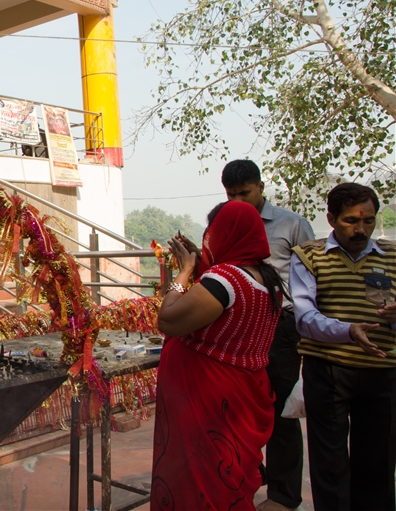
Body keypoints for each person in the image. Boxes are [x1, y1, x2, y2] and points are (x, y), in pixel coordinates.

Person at [152, 200, 284, 510]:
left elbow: (168, 318)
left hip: (207, 402)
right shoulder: (266, 278)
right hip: (236, 398)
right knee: (224, 479)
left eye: (210, 233)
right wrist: (201, 267)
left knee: (198, 481)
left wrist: (184, 272)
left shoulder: (225, 280)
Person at [289, 183, 396, 510]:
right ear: (331, 219)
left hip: (383, 372)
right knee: (330, 463)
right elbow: (305, 317)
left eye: (369, 221)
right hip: (328, 371)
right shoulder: (308, 256)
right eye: (351, 221)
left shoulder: (393, 256)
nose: (361, 229)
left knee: (378, 463)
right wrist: (349, 331)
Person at [220, 160, 315, 511]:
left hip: (283, 324)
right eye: (231, 195)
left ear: (261, 187)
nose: (239, 202)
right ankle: (251, 476)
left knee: (280, 409)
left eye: (244, 193)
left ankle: (284, 495)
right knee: (242, 405)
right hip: (242, 324)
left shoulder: (292, 225)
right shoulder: (228, 222)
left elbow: (311, 279)